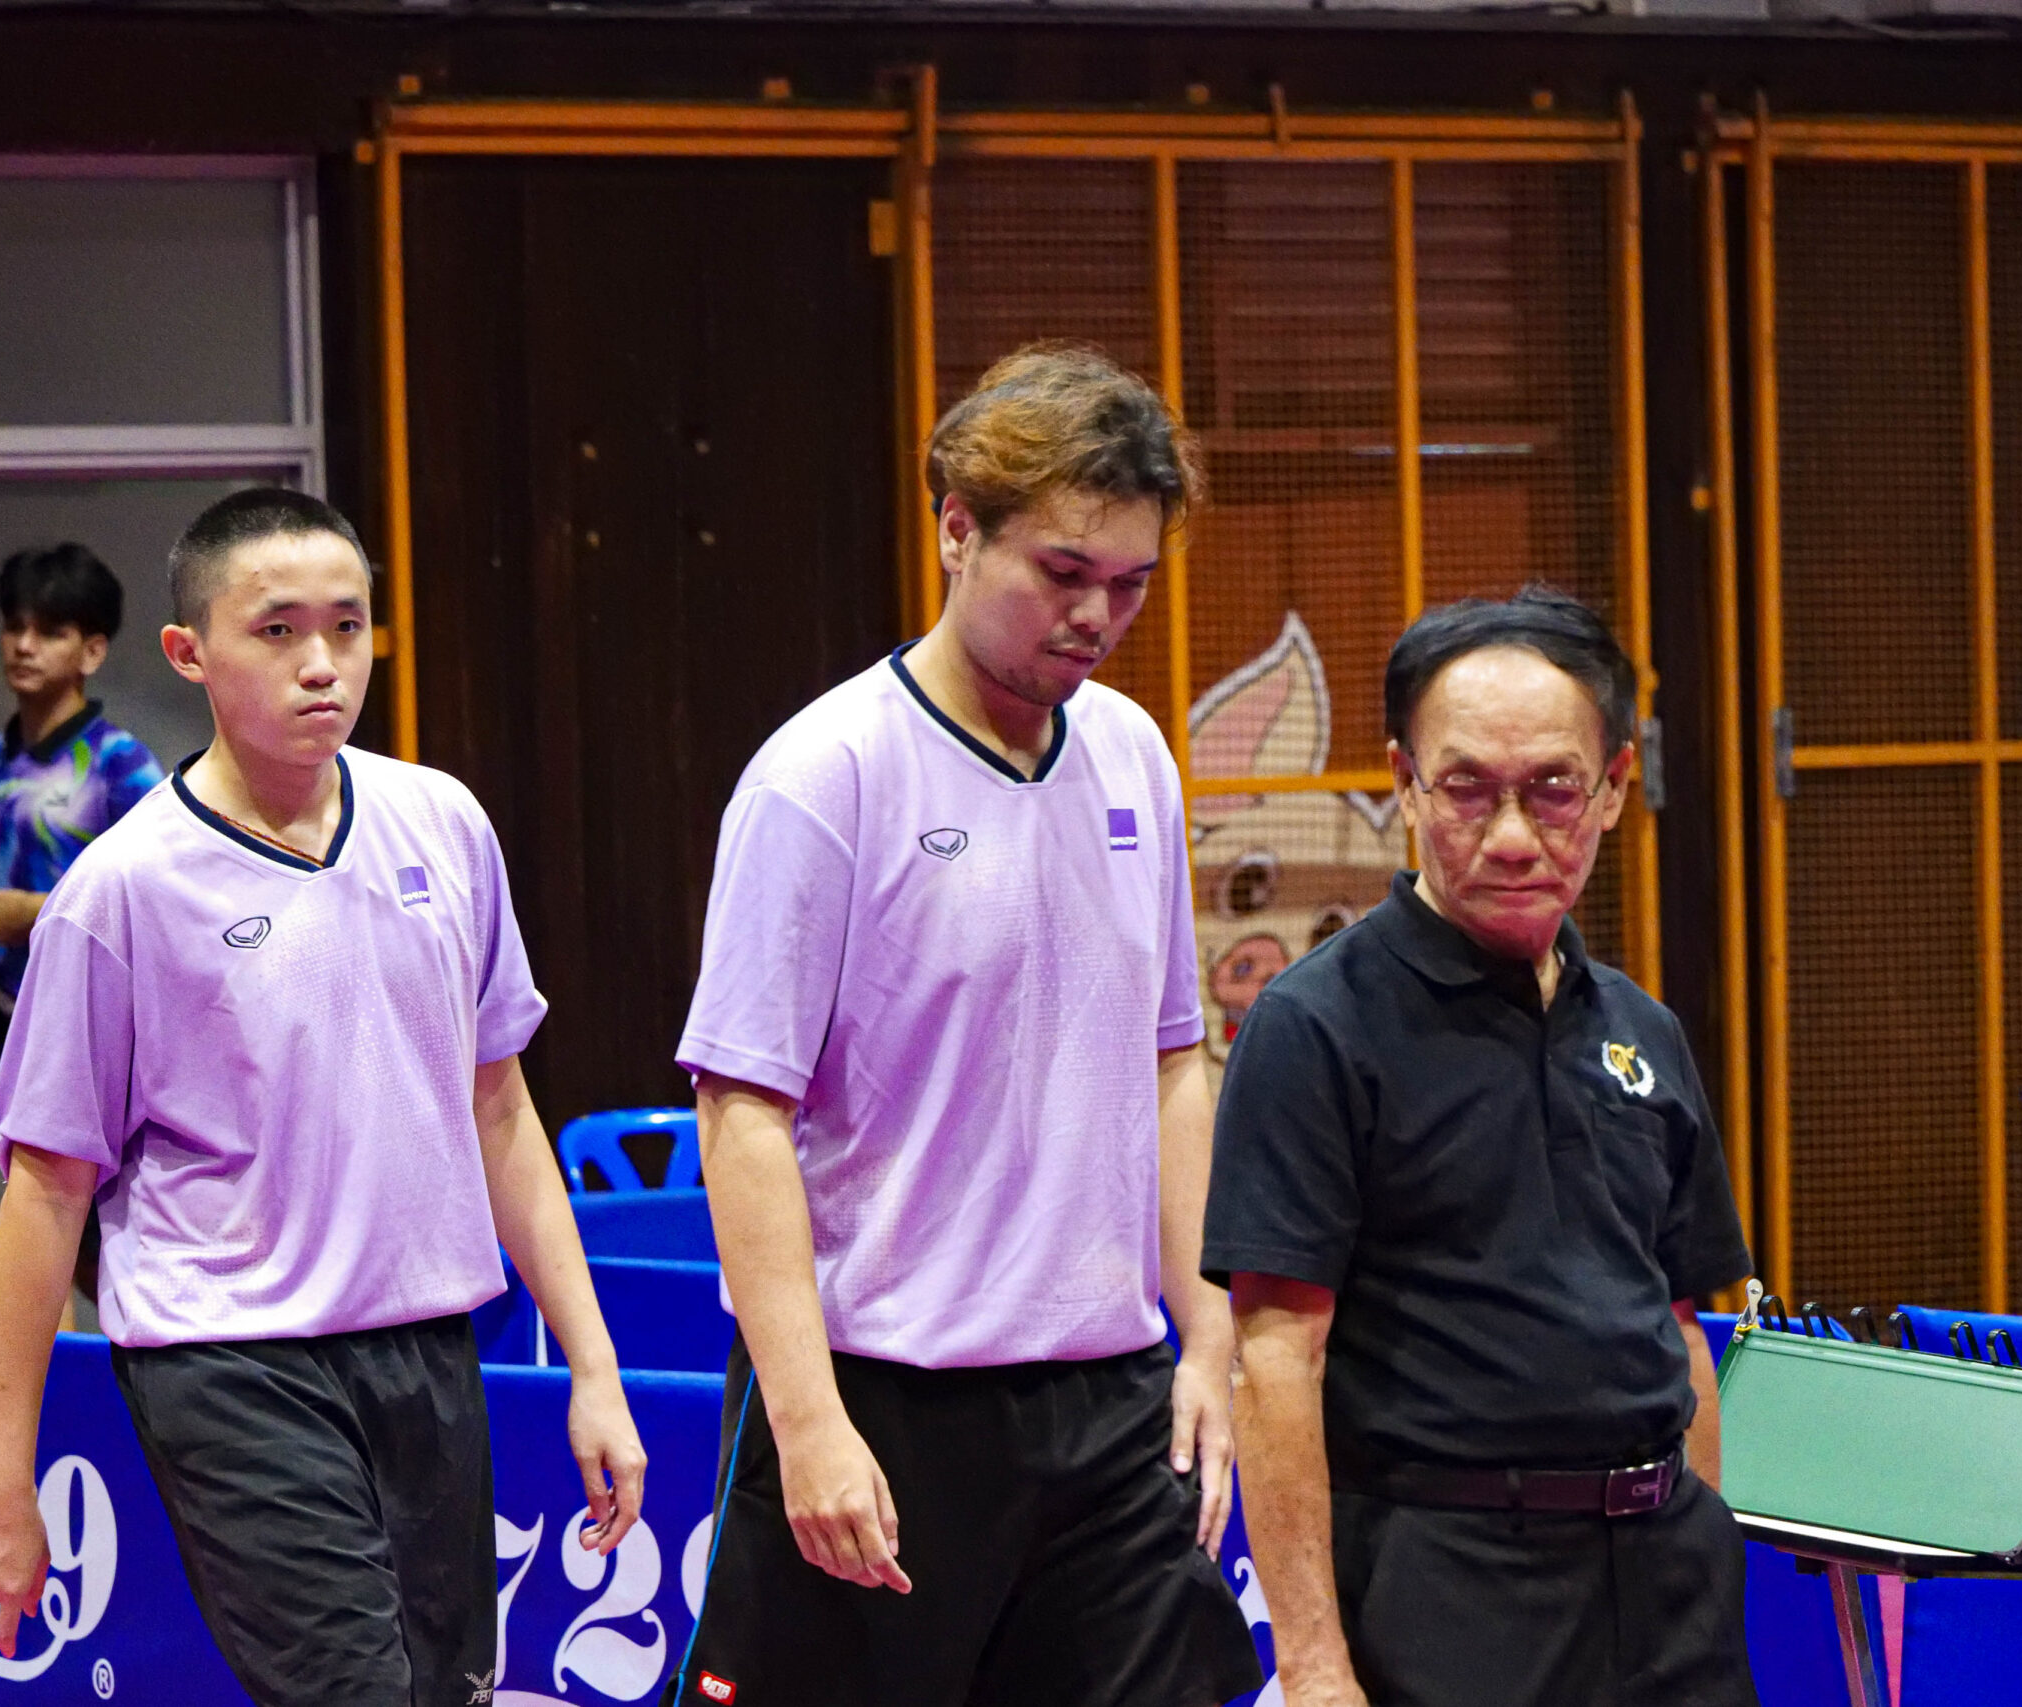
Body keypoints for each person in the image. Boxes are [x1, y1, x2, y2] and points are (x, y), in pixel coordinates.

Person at [0, 488, 648, 1706]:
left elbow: (500, 1110)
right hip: (231, 1364)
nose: (321, 664)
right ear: (189, 653)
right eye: (276, 630)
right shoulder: (119, 893)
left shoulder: (444, 826)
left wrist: (594, 1367)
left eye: (347, 625)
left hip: (427, 1353)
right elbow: (48, 1193)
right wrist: (1, 1486)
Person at [671, 344, 1263, 1707]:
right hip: (885, 1397)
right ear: (956, 526)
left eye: (1130, 583)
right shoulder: (823, 776)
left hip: (1111, 1405)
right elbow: (742, 1112)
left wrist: (1205, 1340)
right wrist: (808, 1421)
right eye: (1062, 572)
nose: (1096, 615)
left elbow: (1175, 1061)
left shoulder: (1134, 754)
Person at [1205, 587, 1757, 1707]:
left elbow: (1683, 1323)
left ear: (1613, 788)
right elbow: (1275, 1362)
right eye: (1466, 789)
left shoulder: (1642, 1030)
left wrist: (1706, 1540)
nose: (1511, 836)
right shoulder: (1316, 1026)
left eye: (1553, 788)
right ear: (1405, 783)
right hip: (1444, 1586)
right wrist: (1315, 1670)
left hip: (1669, 1590)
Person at [0, 543, 163, 1109]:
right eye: (14, 627)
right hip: (9, 1025)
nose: (24, 646)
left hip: (99, 1028)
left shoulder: (121, 765)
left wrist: (38, 913)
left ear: (92, 652)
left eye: (50, 632)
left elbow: (160, 901)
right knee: (12, 1169)